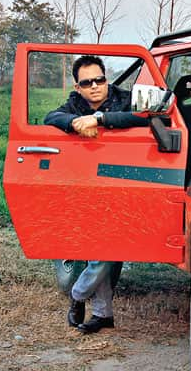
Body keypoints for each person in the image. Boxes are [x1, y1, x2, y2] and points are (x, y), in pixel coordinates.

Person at [45, 55, 148, 333]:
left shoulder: (126, 99)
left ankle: (78, 296)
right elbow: (51, 117)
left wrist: (100, 119)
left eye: (99, 79)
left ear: (106, 79)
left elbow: (143, 117)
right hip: (90, 182)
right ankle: (103, 314)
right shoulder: (74, 104)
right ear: (78, 87)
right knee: (98, 246)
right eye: (86, 82)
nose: (94, 86)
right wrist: (75, 122)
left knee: (108, 247)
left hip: (128, 180)